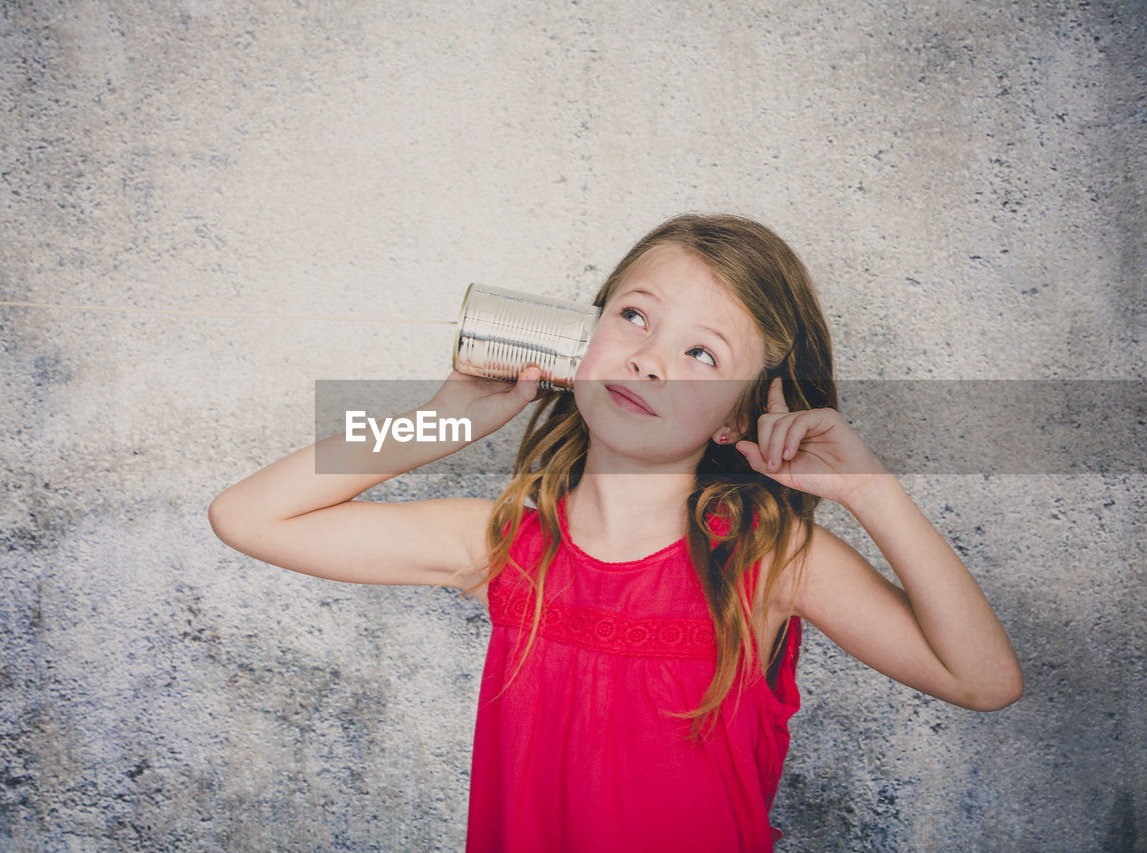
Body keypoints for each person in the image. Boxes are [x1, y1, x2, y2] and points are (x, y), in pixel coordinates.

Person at [208, 213, 1024, 851]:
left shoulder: (774, 563)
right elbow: (246, 515)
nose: (649, 359)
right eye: (634, 316)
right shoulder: (501, 546)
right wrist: (434, 424)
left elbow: (984, 680)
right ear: (581, 339)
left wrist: (874, 496)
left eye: (702, 354)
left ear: (741, 412)